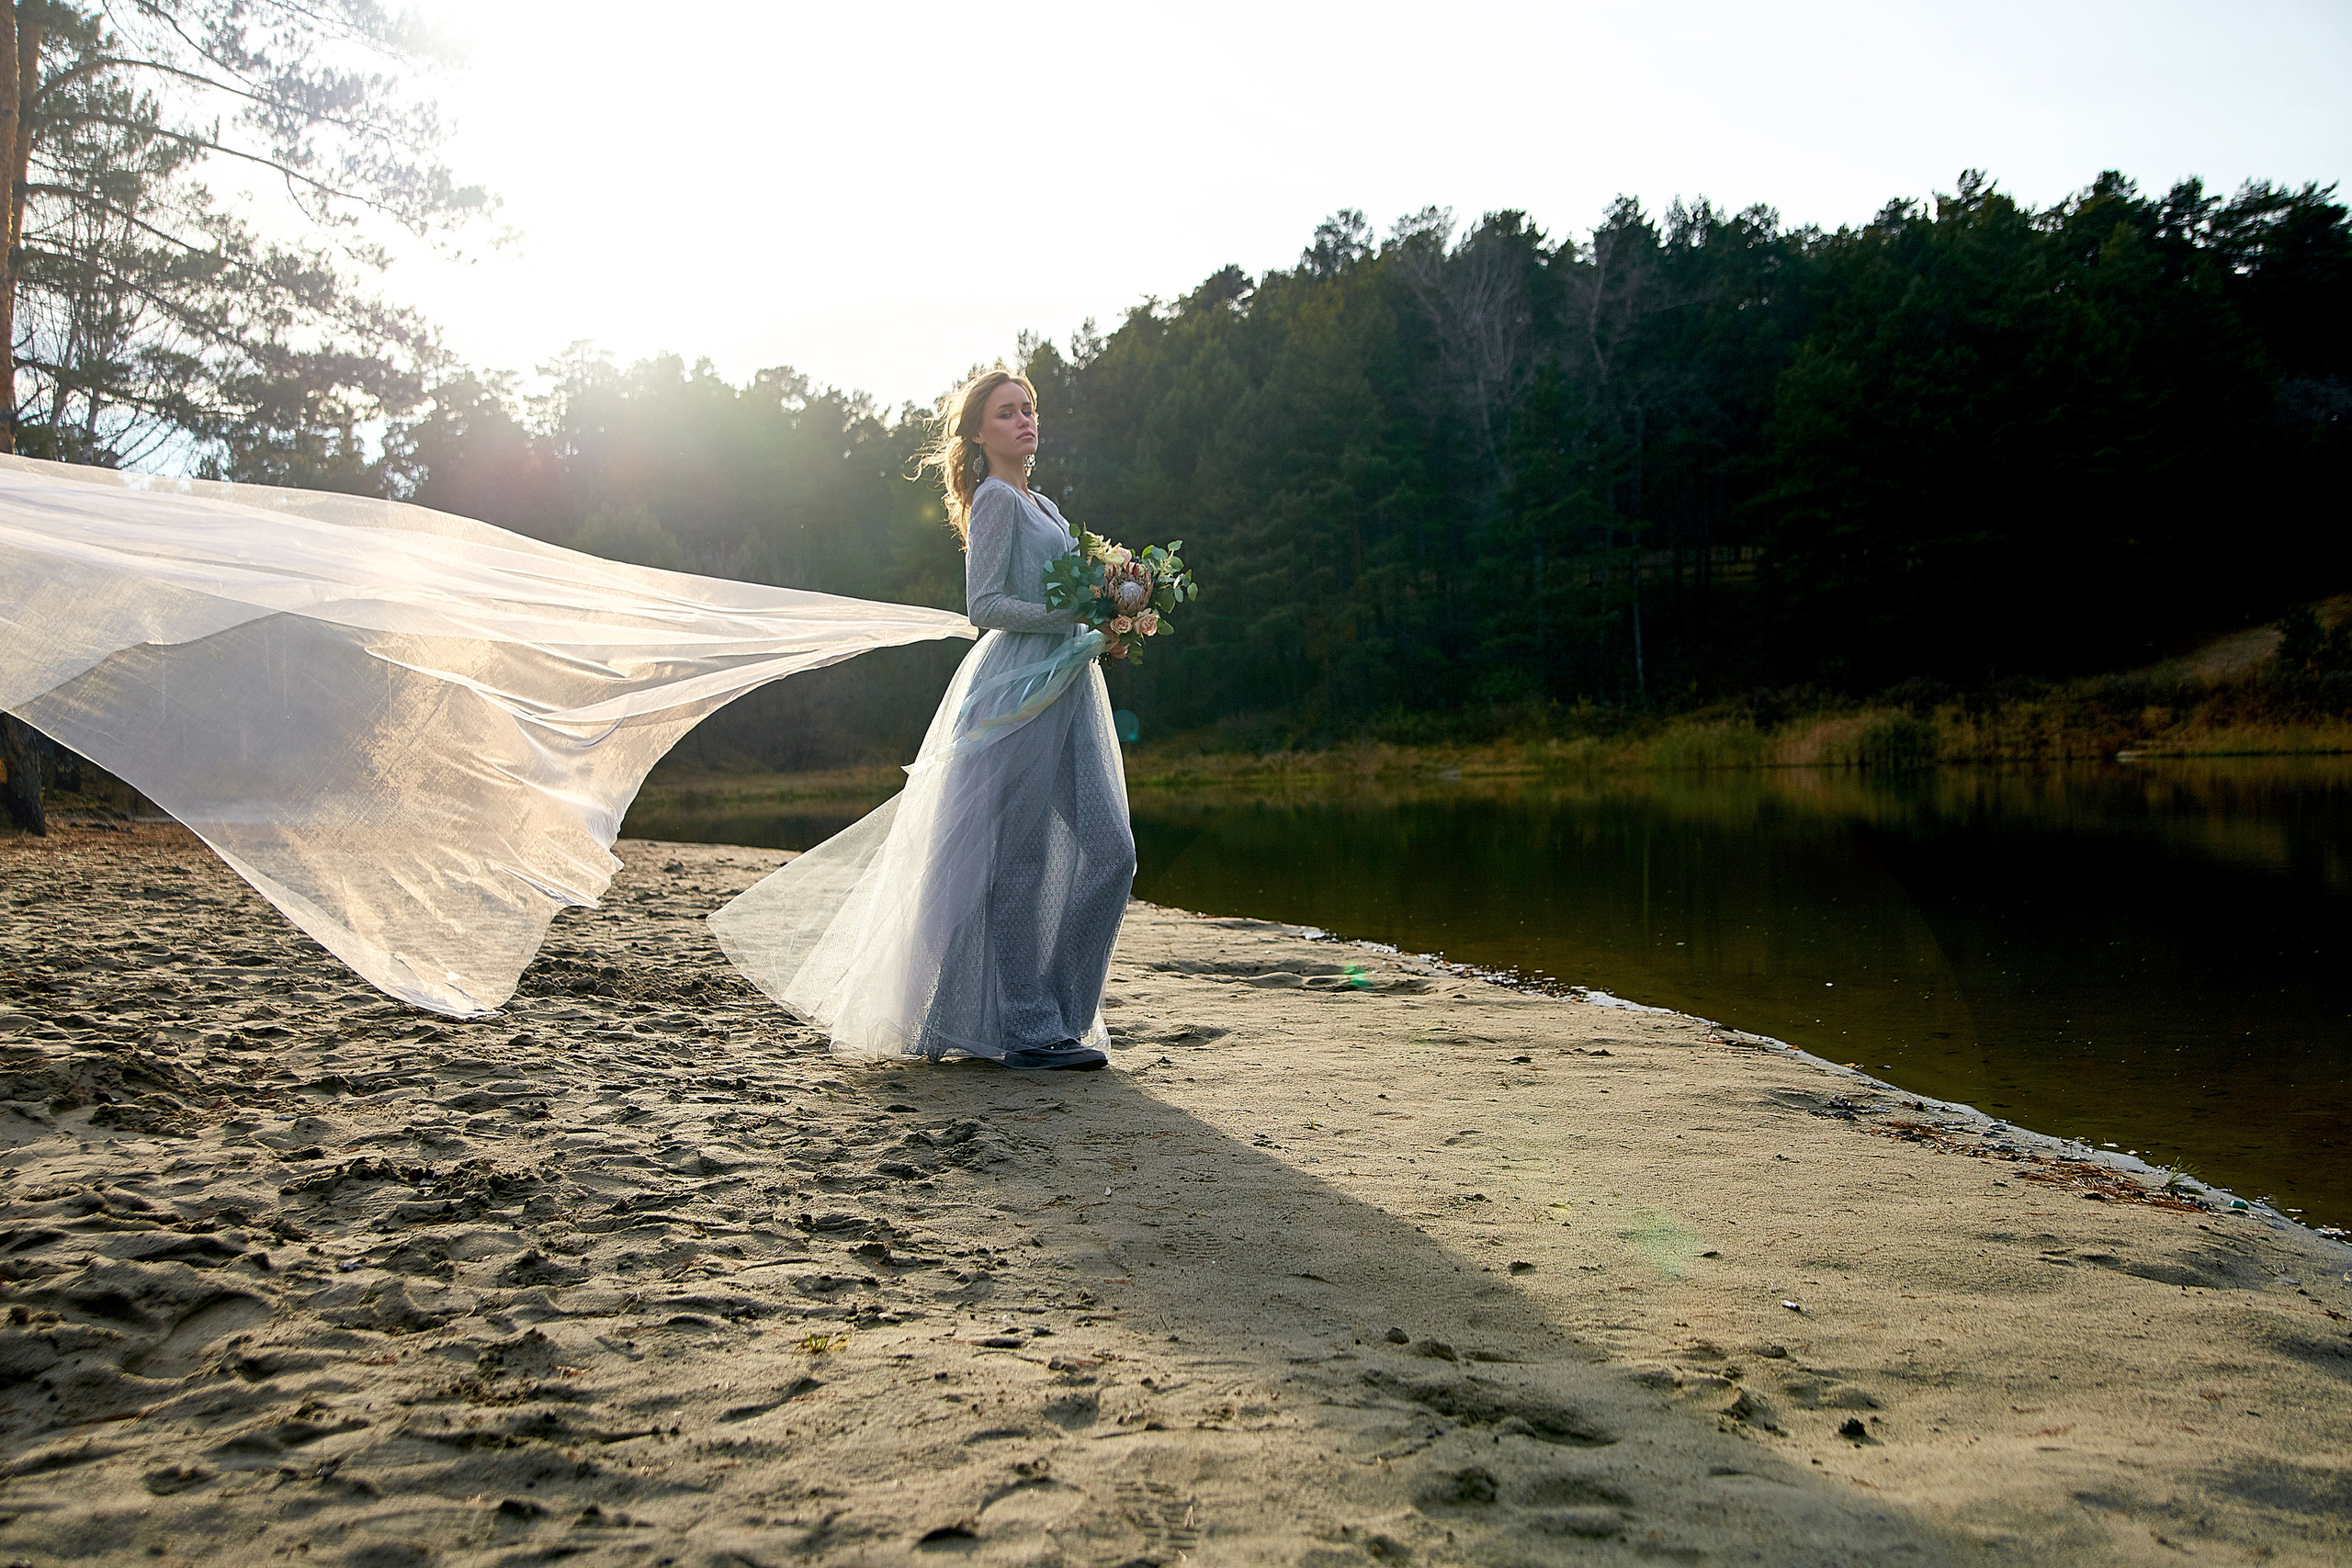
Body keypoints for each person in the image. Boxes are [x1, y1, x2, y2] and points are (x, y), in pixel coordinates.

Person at [707, 368, 1136, 1069]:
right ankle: (1027, 1029)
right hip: (1017, 688)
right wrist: (1075, 616)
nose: (1024, 420)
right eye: (1006, 413)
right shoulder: (996, 500)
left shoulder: (1049, 506)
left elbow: (1064, 593)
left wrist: (1111, 618)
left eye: (1028, 409)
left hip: (1071, 683)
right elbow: (985, 606)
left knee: (1111, 849)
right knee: (1020, 859)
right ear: (978, 433)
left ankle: (1060, 1013)